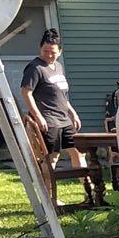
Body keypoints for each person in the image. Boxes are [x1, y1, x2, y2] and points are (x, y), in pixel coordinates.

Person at [18, 28, 83, 168]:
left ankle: (87, 187)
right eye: (45, 51)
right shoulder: (35, 68)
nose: (49, 55)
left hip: (64, 119)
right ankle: (48, 189)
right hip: (49, 120)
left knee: (77, 151)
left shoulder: (58, 66)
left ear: (59, 52)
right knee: (52, 157)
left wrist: (72, 113)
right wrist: (38, 117)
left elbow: (61, 95)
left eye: (53, 52)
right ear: (40, 49)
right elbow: (26, 92)